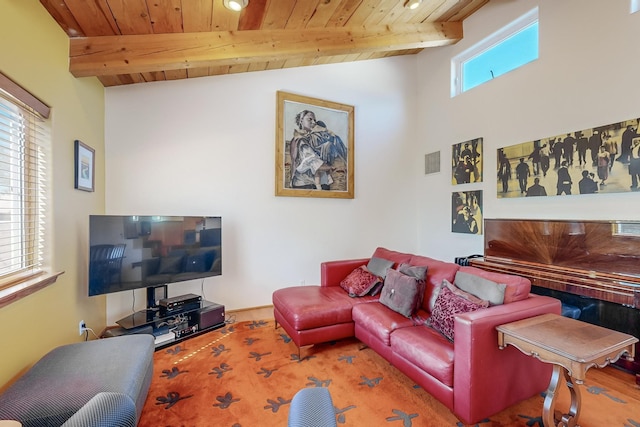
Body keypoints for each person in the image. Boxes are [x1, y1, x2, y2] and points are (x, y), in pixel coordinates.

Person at [289, 110, 347, 190]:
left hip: (320, 184)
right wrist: (332, 167)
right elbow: (316, 164)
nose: (313, 122)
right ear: (301, 120)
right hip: (307, 185)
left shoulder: (312, 138)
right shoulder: (301, 140)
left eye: (315, 120)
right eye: (310, 119)